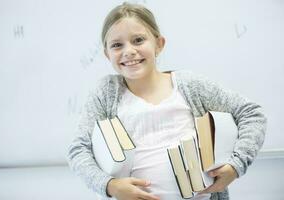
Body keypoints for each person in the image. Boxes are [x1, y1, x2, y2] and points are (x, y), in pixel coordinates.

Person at [67, 2, 266, 200]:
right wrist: (110, 185)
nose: (128, 51)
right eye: (117, 45)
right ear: (107, 53)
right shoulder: (106, 93)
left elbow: (251, 114)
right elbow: (79, 149)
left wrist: (236, 165)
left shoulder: (190, 85)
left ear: (159, 44)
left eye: (138, 40)